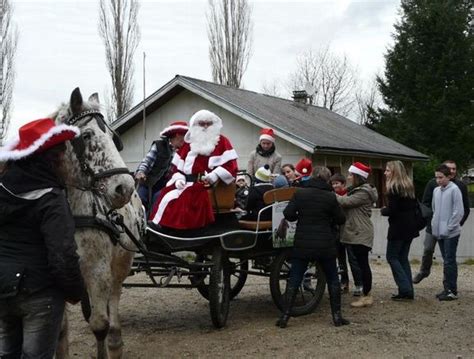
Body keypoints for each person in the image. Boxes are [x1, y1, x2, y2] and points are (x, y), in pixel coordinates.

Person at [0, 118, 85, 358]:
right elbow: (63, 255)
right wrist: (75, 291)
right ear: (52, 158)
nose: (66, 159)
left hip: (4, 289)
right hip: (40, 293)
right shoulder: (51, 198)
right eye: (62, 153)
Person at [276, 166, 348, 328]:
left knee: (295, 278)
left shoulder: (300, 193)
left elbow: (288, 214)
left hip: (303, 243)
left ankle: (285, 316)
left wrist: (300, 216)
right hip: (325, 243)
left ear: (312, 176)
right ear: (327, 180)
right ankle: (337, 317)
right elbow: (341, 219)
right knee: (333, 279)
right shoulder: (330, 196)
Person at [150, 110, 238, 230]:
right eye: (202, 123)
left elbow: (231, 166)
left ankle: (179, 231)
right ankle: (160, 226)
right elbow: (176, 169)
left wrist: (215, 175)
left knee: (186, 198)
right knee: (166, 195)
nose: (206, 126)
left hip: (209, 185)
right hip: (186, 183)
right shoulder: (188, 143)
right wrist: (178, 179)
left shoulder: (223, 141)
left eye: (209, 123)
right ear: (195, 125)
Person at [412, 160, 470, 284]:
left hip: (450, 227)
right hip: (433, 225)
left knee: (447, 257)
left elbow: (463, 208)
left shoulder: (459, 186)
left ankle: (447, 283)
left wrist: (457, 224)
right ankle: (424, 271)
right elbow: (426, 204)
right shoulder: (433, 185)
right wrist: (432, 221)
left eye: (454, 169)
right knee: (428, 249)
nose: (452, 171)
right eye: (450, 169)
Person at [336, 162, 378, 308]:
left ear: (357, 176)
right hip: (356, 231)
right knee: (361, 263)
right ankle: (365, 294)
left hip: (360, 232)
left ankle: (367, 295)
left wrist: (328, 193)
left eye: (350, 175)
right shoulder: (356, 189)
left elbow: (345, 201)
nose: (348, 177)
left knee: (362, 265)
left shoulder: (363, 192)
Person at [381, 160, 419, 300]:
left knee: (392, 257)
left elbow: (393, 210)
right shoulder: (408, 186)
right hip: (410, 227)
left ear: (394, 172)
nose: (385, 173)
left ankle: (405, 289)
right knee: (402, 258)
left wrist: (384, 210)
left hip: (398, 228)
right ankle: (407, 290)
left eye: (388, 170)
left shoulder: (394, 188)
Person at [135, 121, 188, 211]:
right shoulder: (159, 146)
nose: (186, 140)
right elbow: (147, 162)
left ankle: (153, 223)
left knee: (159, 199)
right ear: (178, 135)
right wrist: (141, 172)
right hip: (147, 183)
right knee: (140, 201)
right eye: (184, 136)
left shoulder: (184, 152)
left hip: (166, 186)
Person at [431, 164, 464, 301]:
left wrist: (450, 227)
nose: (438, 180)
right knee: (446, 260)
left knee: (450, 260)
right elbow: (434, 209)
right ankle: (447, 288)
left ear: (448, 177)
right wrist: (435, 225)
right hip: (439, 231)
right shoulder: (436, 191)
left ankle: (452, 290)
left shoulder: (455, 190)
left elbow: (458, 211)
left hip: (451, 232)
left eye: (441, 177)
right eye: (436, 177)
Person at [330, 173, 363, 296]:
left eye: (337, 183)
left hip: (348, 230)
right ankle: (344, 282)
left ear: (343, 184)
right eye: (333, 184)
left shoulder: (349, 195)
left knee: (353, 259)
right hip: (337, 231)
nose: (334, 186)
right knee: (341, 260)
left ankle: (359, 284)